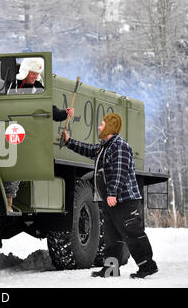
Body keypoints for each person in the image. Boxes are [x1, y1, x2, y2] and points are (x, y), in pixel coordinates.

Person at [63, 113, 158, 279]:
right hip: (110, 200)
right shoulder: (105, 146)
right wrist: (69, 142)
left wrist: (112, 193)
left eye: (101, 124)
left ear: (109, 127)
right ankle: (111, 268)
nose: (99, 127)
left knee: (132, 232)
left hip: (124, 200)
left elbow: (119, 172)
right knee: (111, 236)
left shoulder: (119, 146)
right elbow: (89, 150)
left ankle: (147, 266)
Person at [4, 58, 74, 212]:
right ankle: (7, 203)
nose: (35, 76)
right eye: (33, 73)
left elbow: (49, 109)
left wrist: (64, 113)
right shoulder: (11, 86)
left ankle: (9, 202)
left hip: (31, 133)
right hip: (12, 130)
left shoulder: (38, 88)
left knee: (17, 168)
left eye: (37, 74)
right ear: (25, 72)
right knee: (11, 166)